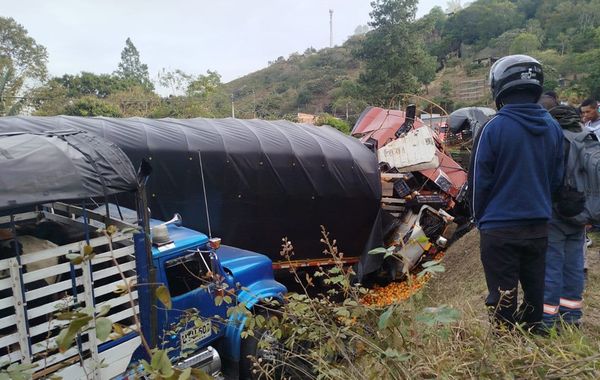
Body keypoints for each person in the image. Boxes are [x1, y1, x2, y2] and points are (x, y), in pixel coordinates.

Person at [469, 55, 564, 331]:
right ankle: (535, 334)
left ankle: (505, 346)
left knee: (502, 296)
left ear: (499, 87)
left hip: (500, 230)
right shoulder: (553, 128)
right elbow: (557, 179)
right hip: (538, 227)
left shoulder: (493, 128)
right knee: (535, 290)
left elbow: (479, 183)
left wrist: (480, 221)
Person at [543, 105, 586, 329]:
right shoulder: (585, 137)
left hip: (557, 211)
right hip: (580, 211)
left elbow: (549, 178)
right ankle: (572, 316)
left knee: (552, 266)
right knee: (574, 264)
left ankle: (548, 319)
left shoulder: (556, 141)